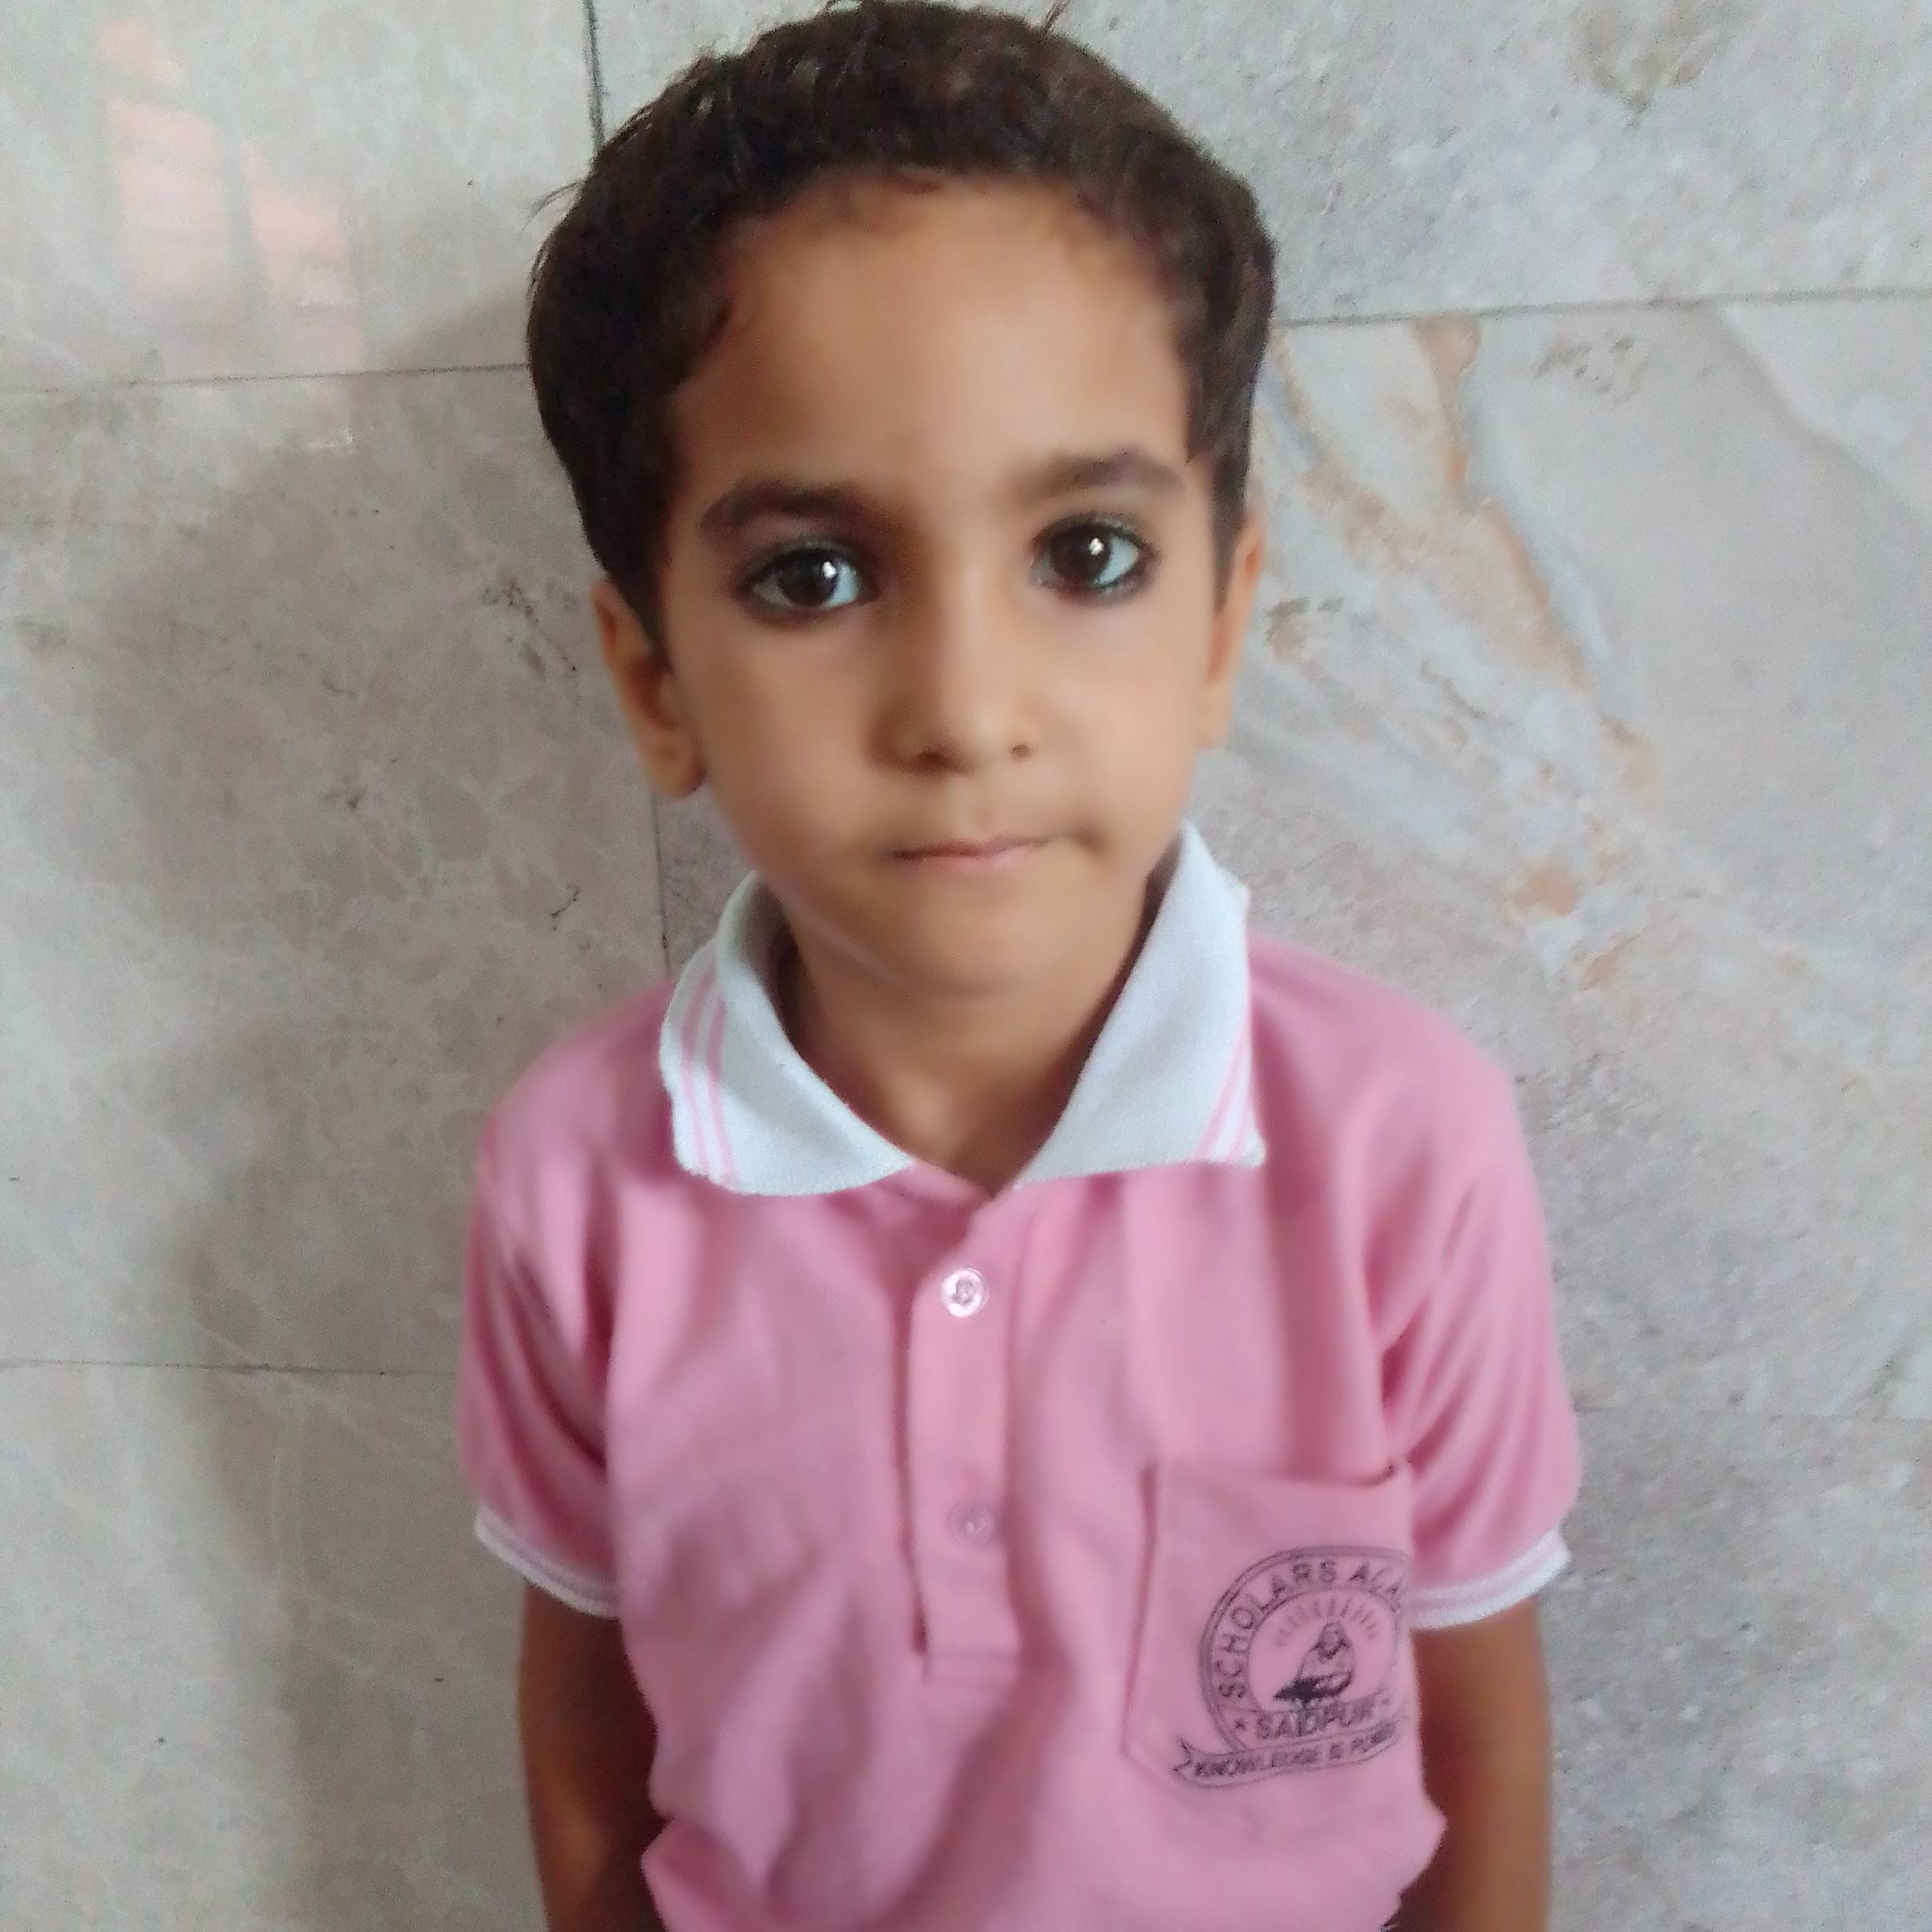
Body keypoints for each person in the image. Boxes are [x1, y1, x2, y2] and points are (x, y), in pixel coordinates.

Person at [455, 4, 1582, 1929]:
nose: (968, 709)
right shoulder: (575, 1179)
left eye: (1088, 555)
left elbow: (1477, 1735)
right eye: (814, 575)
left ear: (1221, 624)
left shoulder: (1403, 1147)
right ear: (656, 681)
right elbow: (588, 1720)